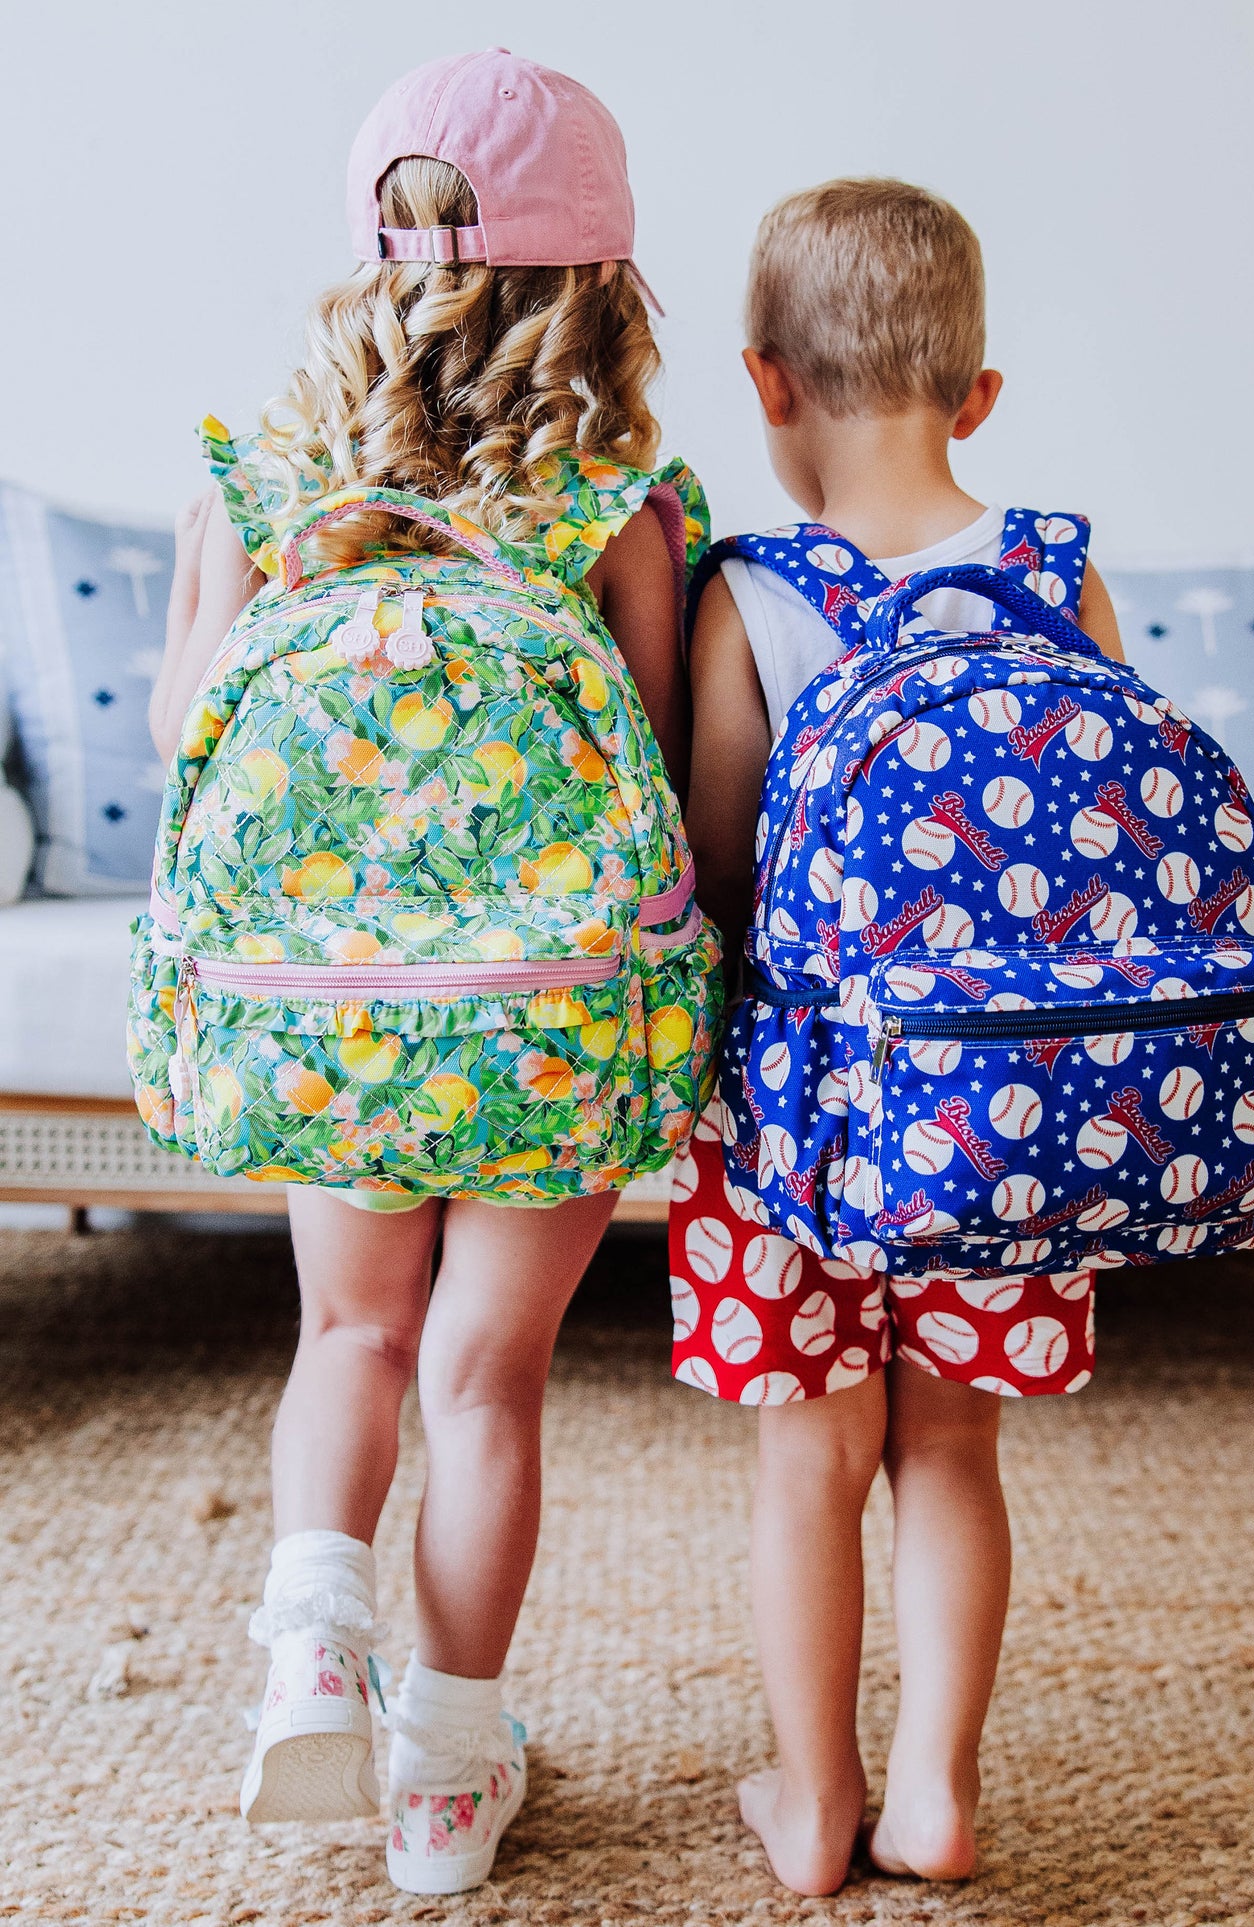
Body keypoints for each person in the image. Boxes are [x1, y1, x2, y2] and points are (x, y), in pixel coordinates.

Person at [150, 51, 708, 1897]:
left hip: (328, 1008)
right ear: (602, 277)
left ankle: (314, 1632)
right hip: (544, 1014)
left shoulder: (262, 469)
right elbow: (664, 770)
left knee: (351, 1338)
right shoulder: (625, 498)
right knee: (484, 1381)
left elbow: (182, 735)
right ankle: (448, 1780)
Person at [677, 178, 1125, 1897]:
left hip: (796, 1119)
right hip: (1017, 1108)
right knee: (950, 1447)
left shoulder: (754, 596)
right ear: (978, 394)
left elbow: (717, 868)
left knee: (812, 1458)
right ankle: (933, 1796)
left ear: (764, 382)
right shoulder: (1058, 573)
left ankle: (810, 1803)